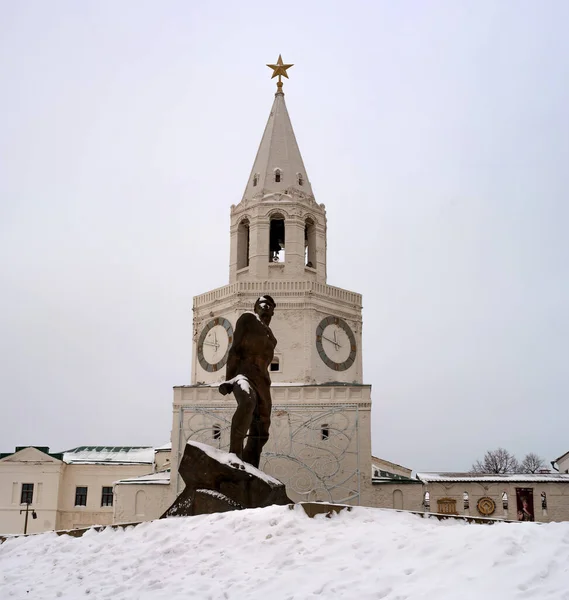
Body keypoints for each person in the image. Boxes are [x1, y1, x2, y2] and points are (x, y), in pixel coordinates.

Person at [219, 295, 277, 468]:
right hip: (244, 375)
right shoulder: (248, 319)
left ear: (273, 311)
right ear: (255, 307)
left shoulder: (271, 337)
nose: (266, 307)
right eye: (262, 304)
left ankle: (251, 466)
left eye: (269, 305)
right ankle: (234, 454)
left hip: (263, 381)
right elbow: (235, 348)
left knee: (262, 427)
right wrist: (229, 379)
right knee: (247, 403)